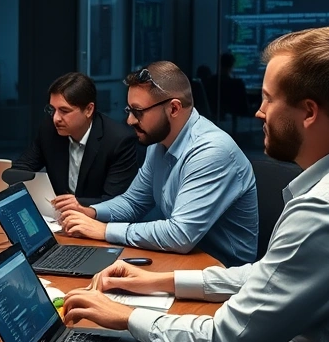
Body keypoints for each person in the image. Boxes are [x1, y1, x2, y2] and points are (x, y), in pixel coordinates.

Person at [62, 26, 329, 342]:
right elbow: (271, 274)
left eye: (268, 98)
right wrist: (160, 281)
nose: (258, 112)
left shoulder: (328, 211)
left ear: (309, 112)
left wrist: (124, 316)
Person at [57, 61, 258, 267]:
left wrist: (104, 230)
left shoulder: (211, 151)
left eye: (138, 111)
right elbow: (133, 202)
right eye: (129, 110)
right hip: (181, 260)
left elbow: (180, 235)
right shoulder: (159, 142)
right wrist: (92, 212)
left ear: (174, 108)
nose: (130, 120)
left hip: (222, 271)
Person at [6, 72, 138, 207]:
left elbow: (116, 203)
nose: (56, 118)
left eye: (64, 111)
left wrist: (78, 204)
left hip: (95, 217)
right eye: (52, 110)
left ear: (88, 110)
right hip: (56, 215)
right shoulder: (49, 129)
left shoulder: (119, 140)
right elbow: (22, 169)